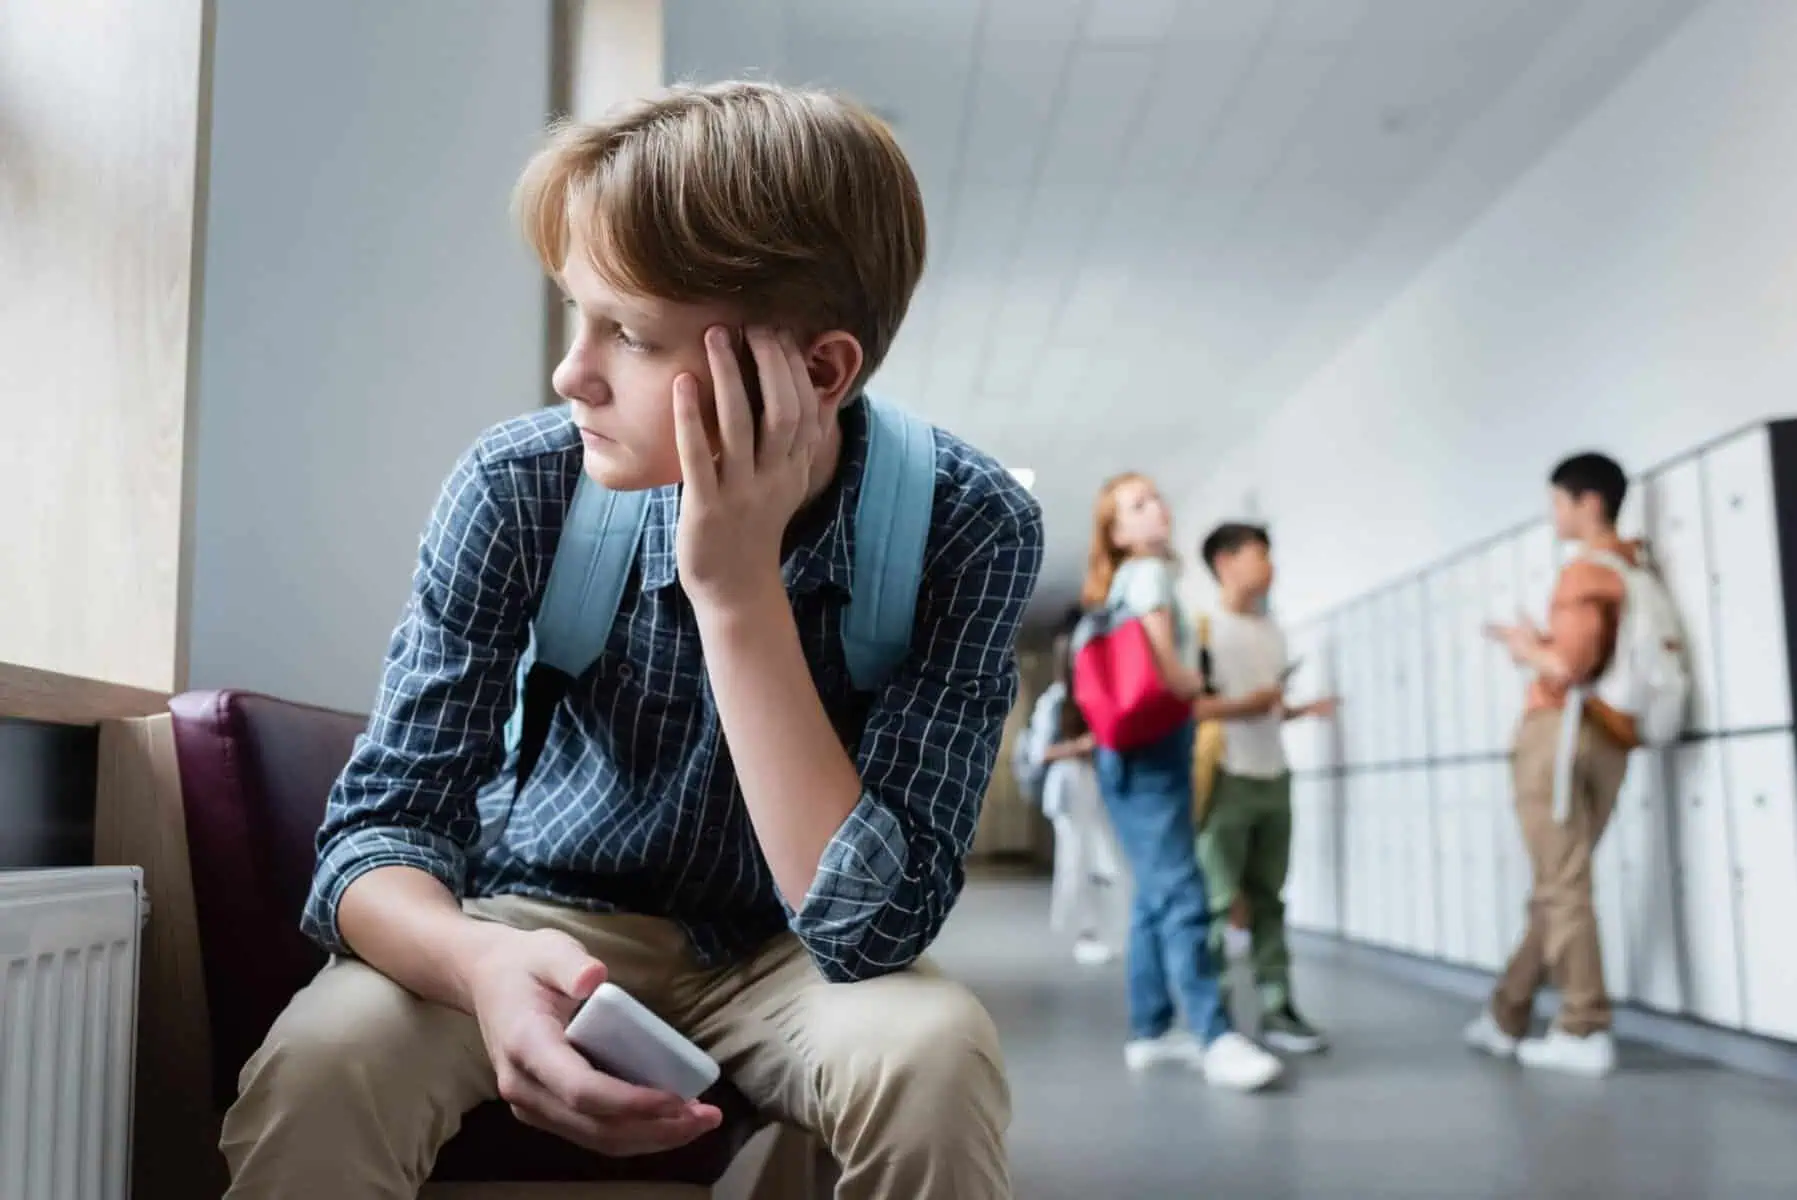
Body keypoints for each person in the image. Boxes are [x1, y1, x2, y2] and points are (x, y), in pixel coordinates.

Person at [218, 82, 1044, 1199]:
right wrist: (484, 963)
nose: (573, 374)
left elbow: (870, 931)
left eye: (632, 333)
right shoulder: (520, 484)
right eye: (577, 311)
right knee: (326, 1064)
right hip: (536, 918)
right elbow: (376, 837)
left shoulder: (968, 522)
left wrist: (736, 591)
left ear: (817, 372)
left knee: (935, 1061)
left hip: (789, 951)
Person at [1076, 473, 1284, 1091]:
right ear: (1117, 534)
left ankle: (1151, 1030)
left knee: (1151, 897)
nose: (1156, 508)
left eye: (1155, 497)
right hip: (1154, 747)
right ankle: (1214, 1034)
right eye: (1136, 506)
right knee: (1186, 894)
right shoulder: (1149, 574)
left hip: (1125, 751)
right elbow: (1164, 655)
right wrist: (1192, 683)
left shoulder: (1120, 583)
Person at [1465, 452, 1638, 1078]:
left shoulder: (1586, 571)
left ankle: (1583, 1026)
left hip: (1560, 733)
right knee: (1557, 887)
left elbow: (1566, 667)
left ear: (1588, 502)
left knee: (1562, 888)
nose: (1553, 513)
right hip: (1610, 739)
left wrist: (1525, 647)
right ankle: (1506, 1013)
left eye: (1557, 501)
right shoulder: (1630, 565)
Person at [1194, 523, 1338, 1055]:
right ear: (1226, 562)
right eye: (1260, 555)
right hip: (1226, 777)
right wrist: (1250, 705)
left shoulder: (1272, 630)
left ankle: (1279, 1007)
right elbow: (1193, 708)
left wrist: (1295, 710)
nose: (1270, 566)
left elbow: (1267, 705)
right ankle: (1216, 1016)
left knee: (1270, 900)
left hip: (1273, 774)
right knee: (1215, 903)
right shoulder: (1203, 630)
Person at [1022, 611, 1125, 966]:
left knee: (1104, 861)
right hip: (1068, 787)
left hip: (1094, 784)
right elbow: (1039, 753)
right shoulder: (1055, 699)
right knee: (1075, 861)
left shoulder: (1098, 692)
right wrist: (1083, 746)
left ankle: (1105, 931)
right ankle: (1082, 934)